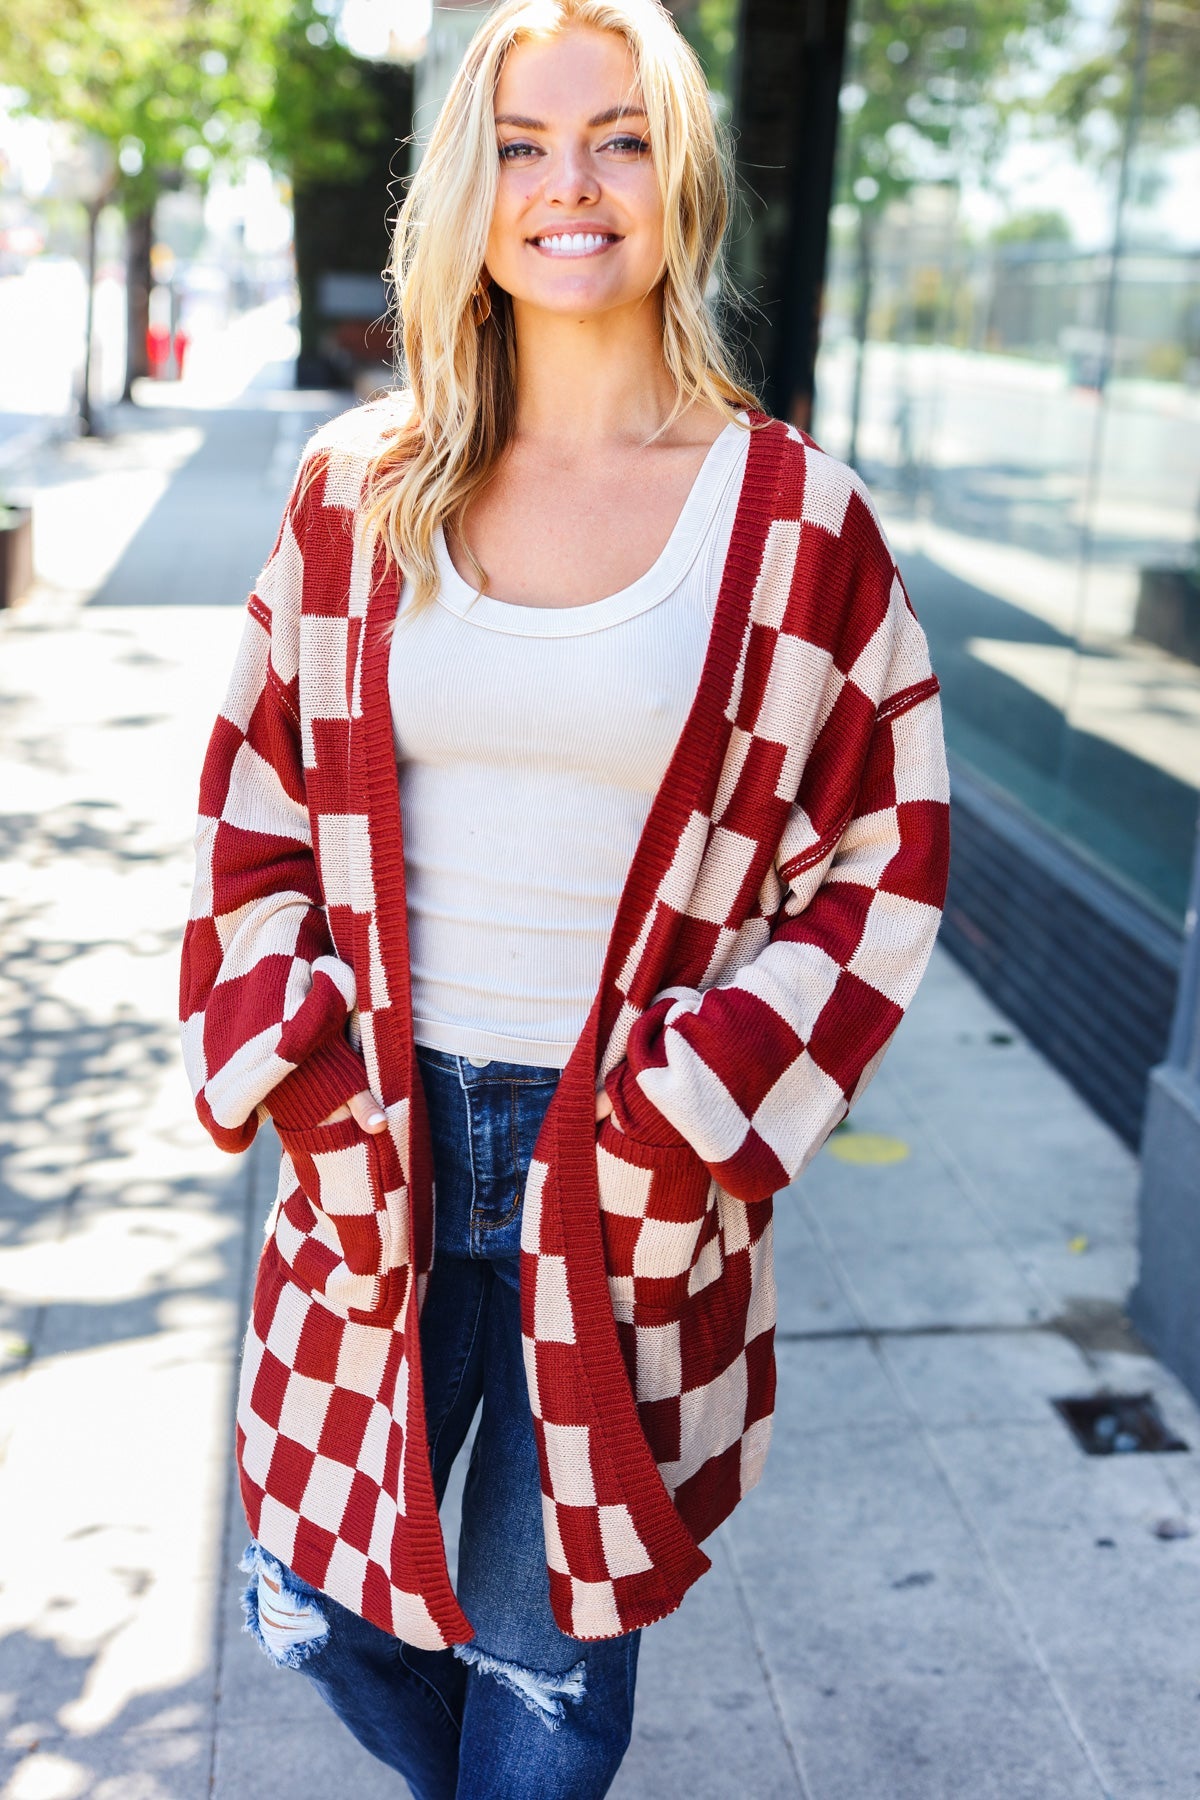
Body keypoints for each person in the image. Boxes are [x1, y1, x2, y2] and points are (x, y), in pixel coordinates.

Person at [179, 0, 951, 1793]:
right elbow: (254, 806)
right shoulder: (356, 490)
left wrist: (694, 1106)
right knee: (308, 1594)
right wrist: (293, 1050)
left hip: (623, 1166)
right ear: (472, 186)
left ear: (679, 181)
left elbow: (884, 861)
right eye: (524, 144)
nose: (569, 185)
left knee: (544, 1654)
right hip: (380, 1126)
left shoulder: (793, 527)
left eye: (616, 137)